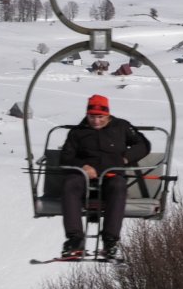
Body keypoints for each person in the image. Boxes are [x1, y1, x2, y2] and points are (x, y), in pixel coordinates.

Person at [59, 94, 151, 258]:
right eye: (92, 117)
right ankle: (75, 240)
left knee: (118, 186)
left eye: (100, 117)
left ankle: (110, 241)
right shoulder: (77, 133)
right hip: (85, 178)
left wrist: (126, 158)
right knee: (70, 184)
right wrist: (82, 166)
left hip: (111, 175)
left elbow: (143, 144)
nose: (96, 121)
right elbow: (65, 157)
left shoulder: (121, 127)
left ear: (107, 115)